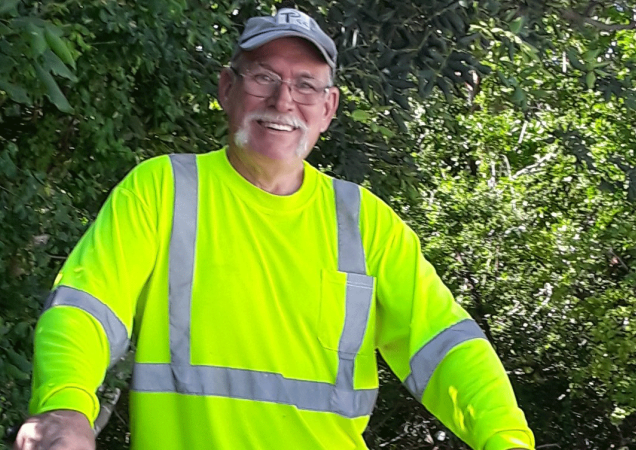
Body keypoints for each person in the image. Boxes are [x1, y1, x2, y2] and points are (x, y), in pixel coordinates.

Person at [14, 7, 535, 450]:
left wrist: (506, 436)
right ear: (226, 86)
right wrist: (65, 405)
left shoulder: (366, 222)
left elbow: (445, 344)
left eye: (306, 85)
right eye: (265, 77)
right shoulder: (164, 189)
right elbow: (86, 307)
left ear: (328, 108)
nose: (284, 102)